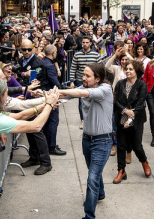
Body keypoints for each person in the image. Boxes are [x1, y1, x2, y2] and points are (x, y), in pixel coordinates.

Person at [0, 78, 60, 175]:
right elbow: (35, 126)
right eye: (6, 94)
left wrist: (44, 105)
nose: (7, 97)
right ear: (0, 95)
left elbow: (20, 116)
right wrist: (49, 105)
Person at [59, 63, 114, 219]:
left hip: (102, 142)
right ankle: (100, 193)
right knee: (94, 173)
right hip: (87, 140)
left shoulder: (105, 89)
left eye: (87, 76)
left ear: (97, 79)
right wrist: (46, 95)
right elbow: (68, 95)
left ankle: (89, 216)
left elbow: (80, 93)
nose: (83, 78)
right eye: (83, 74)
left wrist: (60, 90)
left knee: (92, 177)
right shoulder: (84, 87)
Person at [113, 60, 151, 184]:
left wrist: (130, 119)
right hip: (121, 117)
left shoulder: (142, 85)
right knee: (122, 146)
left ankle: (144, 162)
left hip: (137, 119)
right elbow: (116, 101)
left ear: (137, 71)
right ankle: (121, 171)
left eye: (131, 69)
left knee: (137, 146)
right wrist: (125, 111)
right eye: (126, 69)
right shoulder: (120, 84)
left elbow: (140, 105)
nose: (128, 71)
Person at [38, 45, 65, 156]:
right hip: (50, 94)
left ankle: (48, 144)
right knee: (53, 121)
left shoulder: (43, 62)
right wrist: (62, 92)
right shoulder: (49, 65)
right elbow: (55, 82)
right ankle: (52, 146)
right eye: (56, 52)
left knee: (47, 121)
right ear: (53, 52)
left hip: (44, 94)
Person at [70, 36, 101, 129]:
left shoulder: (95, 55)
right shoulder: (77, 55)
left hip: (93, 81)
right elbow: (73, 68)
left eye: (87, 42)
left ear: (90, 43)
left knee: (94, 100)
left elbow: (100, 68)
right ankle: (83, 120)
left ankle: (93, 118)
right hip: (81, 80)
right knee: (81, 101)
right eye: (83, 42)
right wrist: (72, 81)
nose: (85, 44)